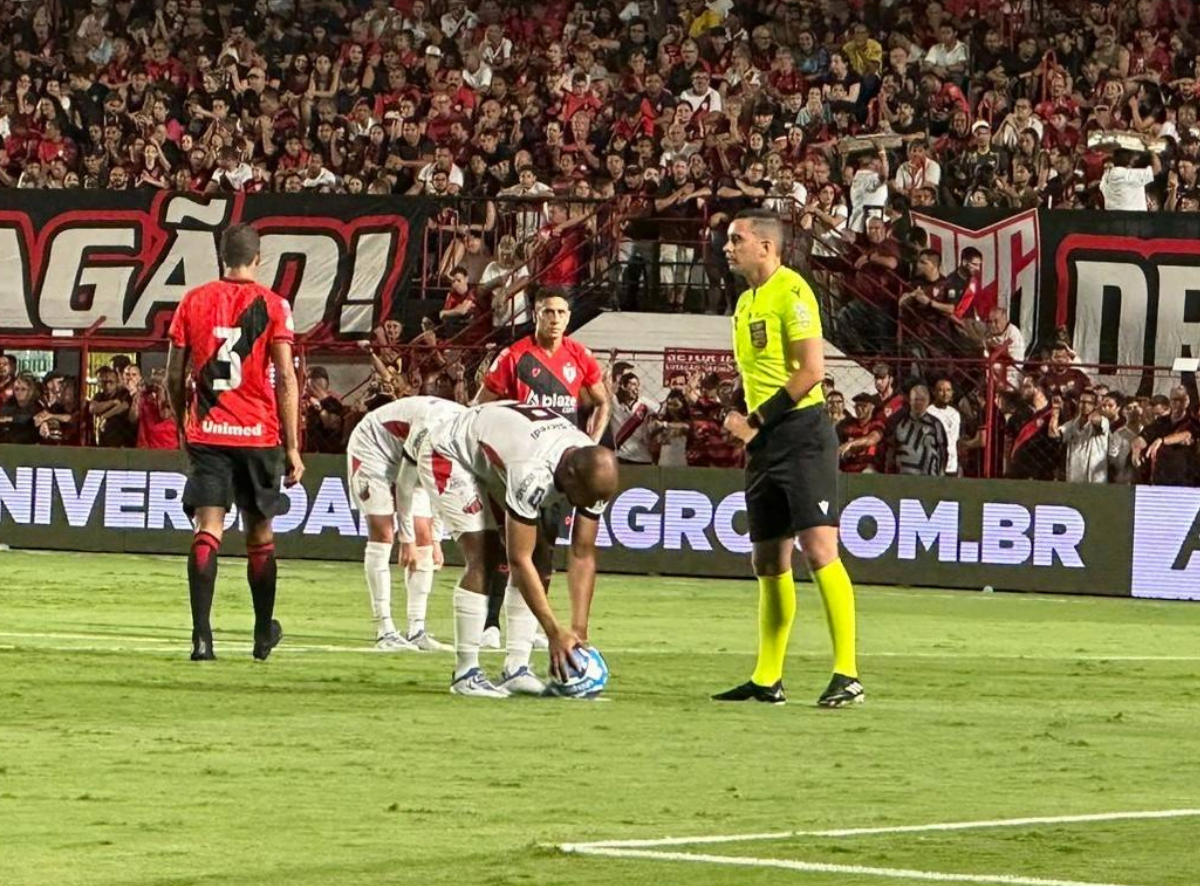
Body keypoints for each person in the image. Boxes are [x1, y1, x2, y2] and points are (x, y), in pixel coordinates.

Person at [714, 209, 863, 708]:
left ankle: (848, 673)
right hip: (765, 440)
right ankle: (767, 678)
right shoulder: (745, 302)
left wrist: (755, 422)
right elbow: (761, 373)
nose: (727, 247)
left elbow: (810, 372)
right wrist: (739, 409)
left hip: (801, 434)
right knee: (767, 559)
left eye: (737, 239)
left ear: (766, 247)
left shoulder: (793, 291)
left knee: (819, 549)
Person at [166, 224, 304, 662]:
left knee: (208, 530)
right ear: (258, 258)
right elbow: (285, 378)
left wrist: (183, 426)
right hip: (259, 435)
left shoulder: (194, 300)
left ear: (220, 256)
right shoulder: (273, 305)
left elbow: (173, 376)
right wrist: (293, 446)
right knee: (259, 535)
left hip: (208, 434)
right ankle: (263, 634)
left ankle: (201, 639)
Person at [417, 402, 619, 698]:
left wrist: (578, 630)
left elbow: (583, 552)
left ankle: (516, 668)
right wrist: (552, 631)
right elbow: (518, 559)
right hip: (449, 451)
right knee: (484, 553)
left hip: (497, 452)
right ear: (571, 476)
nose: (588, 505)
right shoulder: (532, 473)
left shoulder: (593, 470)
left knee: (541, 552)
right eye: (585, 498)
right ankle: (466, 673)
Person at [473, 290, 610, 645]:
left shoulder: (580, 356)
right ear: (535, 315)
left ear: (568, 316)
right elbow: (479, 406)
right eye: (548, 311)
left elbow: (601, 402)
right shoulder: (514, 356)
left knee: (545, 547)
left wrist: (589, 441)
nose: (555, 318)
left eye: (561, 312)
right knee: (508, 545)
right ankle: (491, 623)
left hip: (559, 466)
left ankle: (530, 623)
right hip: (516, 463)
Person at [346, 393, 463, 651]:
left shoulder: (466, 440)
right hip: (372, 448)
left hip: (406, 455)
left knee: (425, 540)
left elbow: (444, 489)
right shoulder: (430, 428)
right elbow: (404, 485)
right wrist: (405, 540)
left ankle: (416, 630)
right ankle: (384, 629)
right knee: (384, 532)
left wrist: (435, 539)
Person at [609, 370, 658, 465]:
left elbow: (661, 410)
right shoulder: (613, 402)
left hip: (643, 457)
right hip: (621, 457)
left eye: (638, 385)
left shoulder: (644, 404)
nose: (637, 389)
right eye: (633, 384)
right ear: (623, 386)